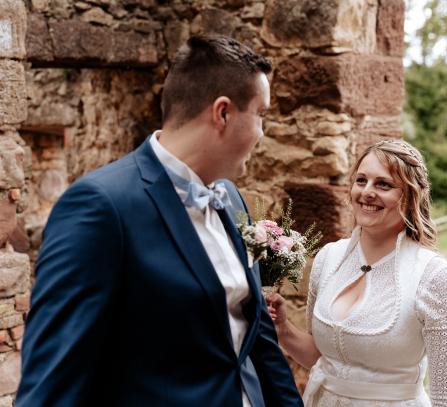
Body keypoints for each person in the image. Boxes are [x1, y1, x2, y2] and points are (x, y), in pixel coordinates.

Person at [17, 35, 303, 407]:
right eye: (261, 115)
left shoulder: (231, 199)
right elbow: (51, 383)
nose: (262, 134)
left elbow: (258, 336)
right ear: (223, 113)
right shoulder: (101, 207)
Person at [267, 139, 447, 406]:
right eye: (361, 180)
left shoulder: (434, 277)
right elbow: (323, 359)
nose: (367, 192)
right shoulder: (329, 258)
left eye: (383, 184)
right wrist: (283, 328)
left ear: (411, 195)